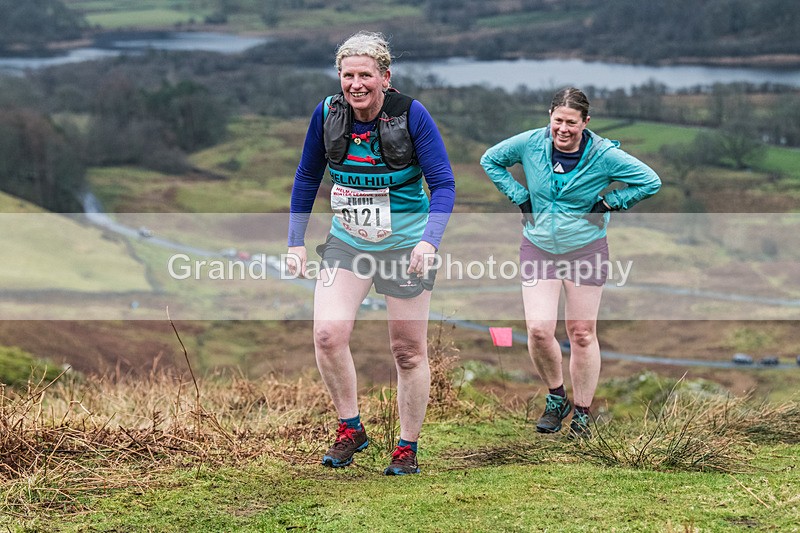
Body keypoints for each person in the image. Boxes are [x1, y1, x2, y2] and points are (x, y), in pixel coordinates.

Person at [286, 31, 455, 474]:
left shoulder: (412, 115)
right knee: (327, 335)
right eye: (347, 75)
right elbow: (306, 178)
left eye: (365, 75)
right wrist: (295, 241)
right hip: (348, 241)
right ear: (339, 77)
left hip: (405, 245)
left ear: (385, 77)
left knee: (407, 351)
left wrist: (428, 241)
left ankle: (406, 448)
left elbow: (443, 185)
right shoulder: (327, 114)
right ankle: (351, 428)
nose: (356, 84)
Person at [480, 87, 660, 438]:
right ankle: (556, 397)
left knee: (581, 332)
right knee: (538, 329)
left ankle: (582, 413)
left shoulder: (605, 155)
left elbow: (650, 182)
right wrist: (521, 196)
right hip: (539, 246)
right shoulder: (530, 143)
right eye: (558, 121)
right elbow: (491, 160)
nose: (563, 129)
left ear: (585, 122)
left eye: (571, 123)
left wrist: (610, 204)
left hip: (585, 249)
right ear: (550, 117)